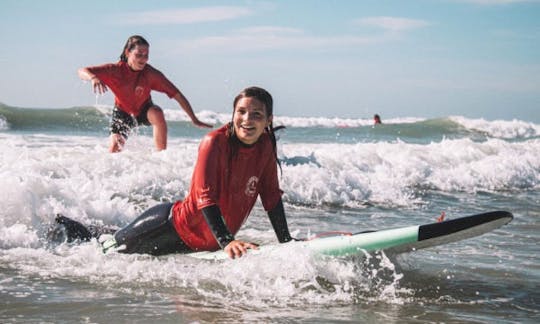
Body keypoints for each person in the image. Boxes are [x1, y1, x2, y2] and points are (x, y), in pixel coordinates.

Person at [54, 86, 293, 259]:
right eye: (241, 112)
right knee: (105, 249)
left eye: (256, 114)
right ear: (233, 114)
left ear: (268, 120)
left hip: (207, 241)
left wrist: (286, 243)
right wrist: (227, 241)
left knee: (110, 239)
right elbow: (205, 198)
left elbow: (271, 196)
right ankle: (61, 224)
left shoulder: (266, 146)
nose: (247, 119)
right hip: (170, 228)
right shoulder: (215, 142)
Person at [78, 35, 212, 153]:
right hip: (122, 113)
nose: (143, 59)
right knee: (114, 147)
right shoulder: (115, 70)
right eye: (139, 55)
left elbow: (177, 95)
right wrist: (93, 78)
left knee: (157, 113)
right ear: (127, 52)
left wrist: (193, 118)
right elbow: (83, 70)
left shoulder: (151, 74)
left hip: (144, 110)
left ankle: (162, 157)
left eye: (146, 55)